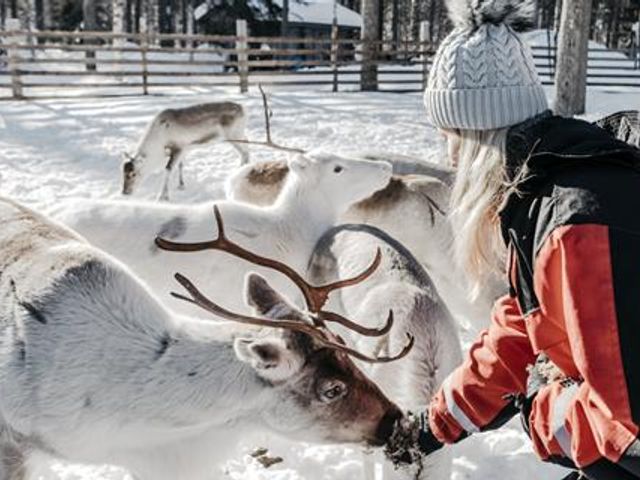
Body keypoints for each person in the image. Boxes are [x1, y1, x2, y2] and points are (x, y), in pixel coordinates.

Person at [394, 0, 640, 478]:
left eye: (448, 134)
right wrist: (433, 424)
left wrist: (539, 408)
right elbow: (522, 330)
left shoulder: (577, 225)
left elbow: (624, 419)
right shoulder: (539, 195)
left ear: (475, 136)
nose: (444, 153)